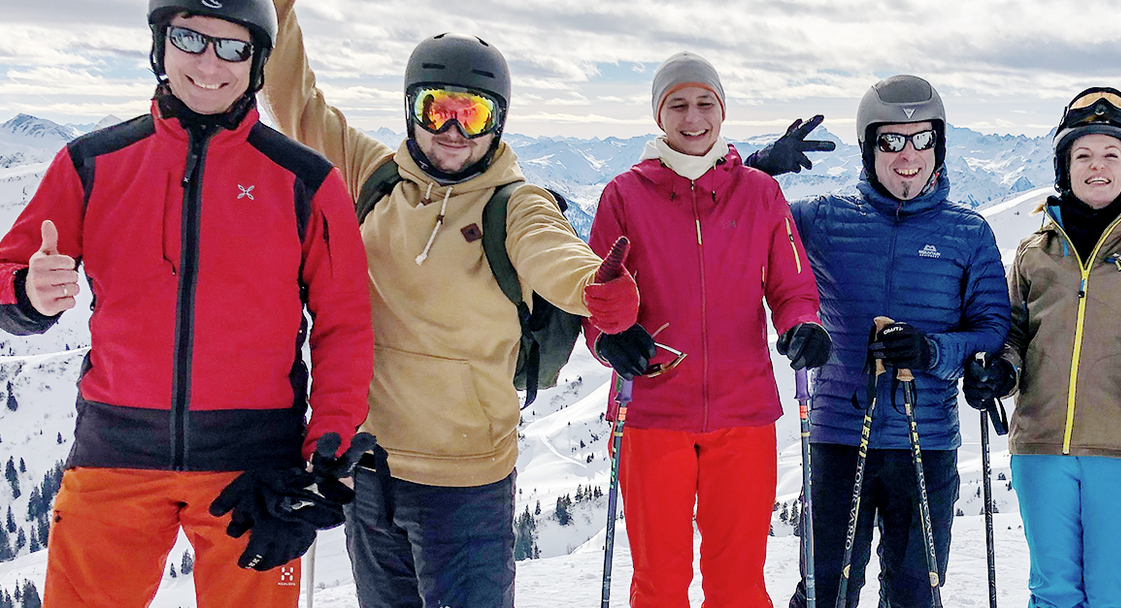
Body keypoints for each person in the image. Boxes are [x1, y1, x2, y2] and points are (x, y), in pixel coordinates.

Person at [260, 1, 641, 606]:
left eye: (473, 113)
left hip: (465, 483)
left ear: (498, 121)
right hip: (370, 469)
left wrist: (593, 287)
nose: (453, 131)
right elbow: (296, 106)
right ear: (411, 110)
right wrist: (277, 10)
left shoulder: (513, 204)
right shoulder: (374, 175)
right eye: (436, 109)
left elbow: (549, 249)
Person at [0, 0, 376, 605]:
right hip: (113, 454)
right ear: (160, 44)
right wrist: (27, 292)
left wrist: (326, 442)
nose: (209, 64)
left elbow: (345, 324)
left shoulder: (306, 180)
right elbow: (9, 274)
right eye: (190, 39)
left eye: (233, 47)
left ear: (257, 63)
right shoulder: (92, 164)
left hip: (254, 470)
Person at [752, 75, 1011, 608]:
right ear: (869, 149)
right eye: (891, 140)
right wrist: (760, 168)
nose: (907, 154)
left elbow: (991, 328)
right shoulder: (822, 218)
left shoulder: (968, 233)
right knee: (825, 592)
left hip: (927, 440)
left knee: (915, 595)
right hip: (838, 438)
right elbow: (736, 223)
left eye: (922, 138)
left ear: (939, 145)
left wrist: (932, 351)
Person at [586, 51, 828, 607]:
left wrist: (803, 326)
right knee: (659, 585)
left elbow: (792, 287)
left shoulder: (759, 192)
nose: (692, 118)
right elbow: (594, 295)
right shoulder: (623, 195)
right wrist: (609, 337)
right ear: (658, 115)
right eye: (677, 105)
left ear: (722, 111)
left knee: (738, 584)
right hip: (652, 412)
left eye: (704, 104)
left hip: (743, 414)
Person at [962, 87, 1121, 608]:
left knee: (1114, 592)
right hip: (1041, 444)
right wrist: (999, 371)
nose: (1098, 166)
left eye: (1112, 154)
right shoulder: (1034, 251)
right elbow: (1012, 333)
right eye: (1084, 155)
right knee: (1054, 591)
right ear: (1064, 167)